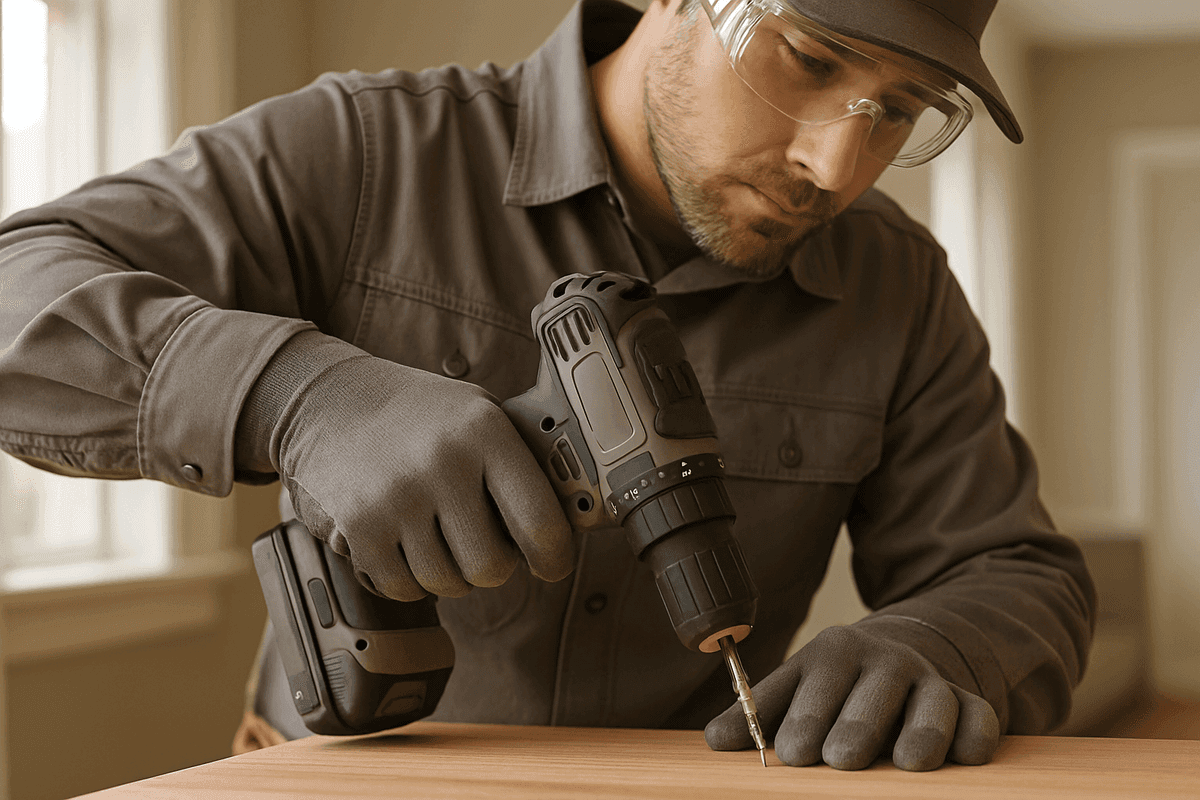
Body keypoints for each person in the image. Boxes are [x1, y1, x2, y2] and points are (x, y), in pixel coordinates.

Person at [0, 0, 1095, 773]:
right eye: (808, 61)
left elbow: (1015, 568)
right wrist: (297, 394)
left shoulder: (895, 285)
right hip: (329, 773)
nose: (836, 166)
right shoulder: (366, 151)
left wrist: (944, 645)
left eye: (899, 110)